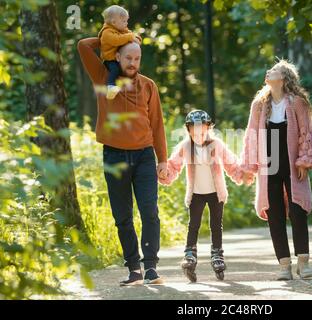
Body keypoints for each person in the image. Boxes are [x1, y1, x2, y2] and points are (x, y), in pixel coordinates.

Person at [77, 36, 168, 286]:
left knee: (149, 211)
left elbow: (158, 125)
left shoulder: (148, 85)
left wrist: (163, 160)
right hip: (114, 155)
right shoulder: (102, 78)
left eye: (137, 58)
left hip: (144, 156)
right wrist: (116, 36)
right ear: (116, 56)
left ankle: (150, 268)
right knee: (122, 216)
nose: (133, 62)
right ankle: (134, 270)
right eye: (128, 57)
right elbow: (83, 46)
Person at [240, 60, 312, 280]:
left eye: (274, 70)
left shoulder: (298, 103)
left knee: (297, 212)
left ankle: (303, 263)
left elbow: (307, 132)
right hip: (269, 164)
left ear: (284, 78)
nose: (268, 71)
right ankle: (284, 265)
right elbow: (251, 135)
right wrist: (249, 167)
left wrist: (305, 161)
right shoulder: (259, 104)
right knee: (274, 213)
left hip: (292, 162)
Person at [159, 110, 250, 282]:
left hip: (216, 193)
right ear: (188, 130)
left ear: (208, 128)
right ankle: (190, 255)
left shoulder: (217, 145)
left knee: (216, 225)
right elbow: (173, 165)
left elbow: (231, 163)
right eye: (194, 131)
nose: (198, 135)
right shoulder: (185, 147)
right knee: (193, 225)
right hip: (196, 194)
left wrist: (242, 174)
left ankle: (217, 254)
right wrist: (164, 173)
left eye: (202, 131)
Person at [98, 5, 141, 99]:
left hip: (118, 59)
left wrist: (136, 38)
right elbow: (116, 40)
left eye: (127, 21)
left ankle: (133, 86)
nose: (126, 23)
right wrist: (130, 37)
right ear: (114, 22)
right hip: (110, 59)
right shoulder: (107, 33)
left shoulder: (121, 29)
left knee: (130, 69)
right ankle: (110, 87)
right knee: (115, 70)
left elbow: (131, 34)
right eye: (124, 21)